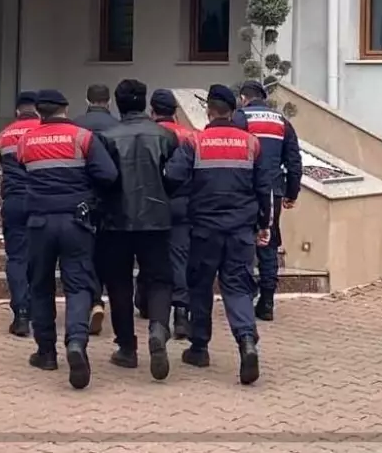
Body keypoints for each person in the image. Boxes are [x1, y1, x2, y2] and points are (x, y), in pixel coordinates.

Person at [164, 84, 274, 386]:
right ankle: (247, 341)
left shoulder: (195, 142)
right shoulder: (252, 144)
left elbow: (172, 176)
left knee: (200, 287)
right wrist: (264, 224)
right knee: (237, 287)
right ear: (233, 111)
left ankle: (199, 349)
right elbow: (263, 188)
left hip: (203, 230)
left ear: (209, 111)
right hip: (240, 230)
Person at [18, 89, 118, 390]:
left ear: (39, 112)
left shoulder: (26, 141)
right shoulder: (83, 137)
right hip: (76, 221)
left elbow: (20, 169)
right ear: (66, 108)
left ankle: (46, 353)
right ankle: (76, 342)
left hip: (39, 222)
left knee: (40, 287)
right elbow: (109, 175)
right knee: (78, 286)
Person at [92, 79, 180, 380]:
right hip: (156, 219)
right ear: (145, 103)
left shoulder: (106, 138)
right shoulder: (166, 136)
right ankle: (158, 327)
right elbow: (176, 175)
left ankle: (127, 348)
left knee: (118, 283)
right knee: (160, 279)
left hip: (116, 221)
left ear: (117, 104)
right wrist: (164, 193)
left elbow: (102, 178)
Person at [233, 81, 302, 322]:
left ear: (244, 98)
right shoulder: (282, 121)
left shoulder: (240, 118)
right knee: (268, 243)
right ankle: (267, 302)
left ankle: (243, 295)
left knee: (241, 242)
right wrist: (291, 193)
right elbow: (294, 162)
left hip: (244, 189)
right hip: (273, 190)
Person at [0, 90, 41, 337]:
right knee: (40, 257)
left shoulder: (3, 136)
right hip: (41, 201)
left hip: (14, 201)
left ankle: (21, 313)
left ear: (17, 111)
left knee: (16, 258)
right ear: (38, 110)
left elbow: (5, 165)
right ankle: (39, 310)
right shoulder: (44, 132)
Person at [73, 84, 120, 336]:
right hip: (111, 200)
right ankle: (102, 296)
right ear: (109, 101)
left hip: (81, 199)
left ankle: (94, 300)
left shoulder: (75, 127)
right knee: (105, 252)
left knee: (84, 253)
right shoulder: (118, 126)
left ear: (86, 100)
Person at [150, 88, 195, 339]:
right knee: (179, 259)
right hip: (182, 204)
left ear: (152, 111)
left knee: (151, 259)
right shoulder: (190, 136)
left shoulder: (148, 134)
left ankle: (149, 308)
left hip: (151, 205)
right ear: (175, 111)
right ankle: (180, 313)